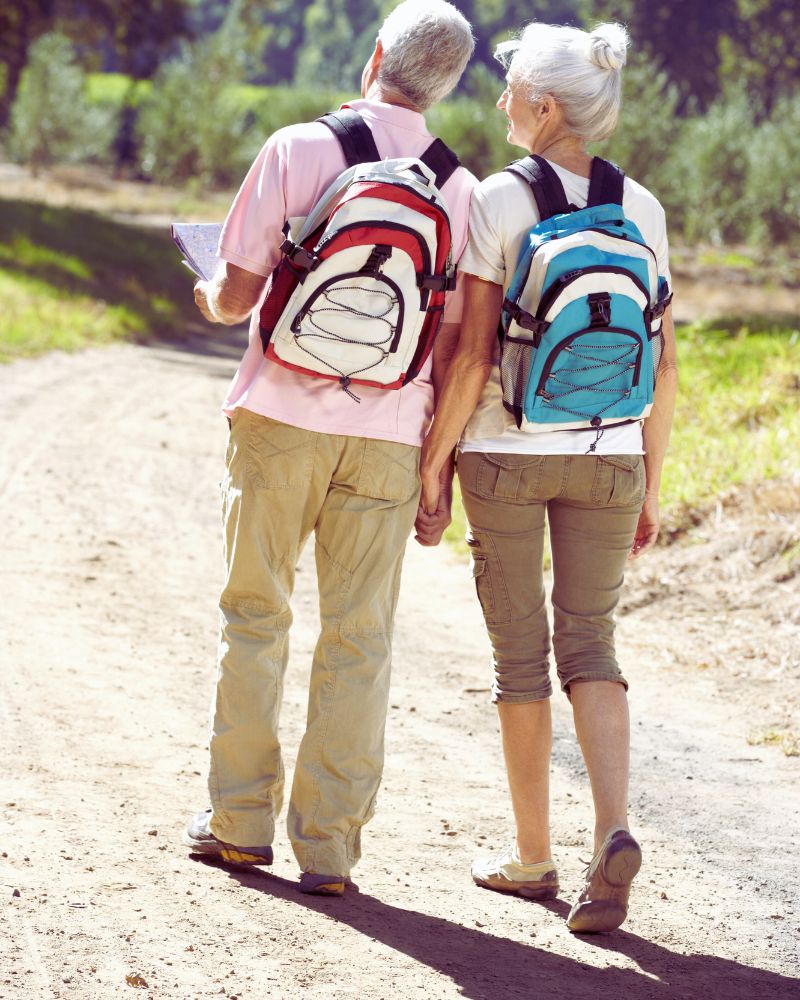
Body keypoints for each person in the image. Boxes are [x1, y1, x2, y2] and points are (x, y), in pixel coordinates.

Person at [184, 0, 477, 896]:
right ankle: (331, 851)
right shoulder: (458, 189)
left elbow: (236, 299)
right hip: (389, 435)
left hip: (280, 419)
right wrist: (437, 470)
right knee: (361, 639)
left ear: (376, 54)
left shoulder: (296, 148)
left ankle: (237, 824)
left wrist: (205, 291)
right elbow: (456, 342)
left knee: (256, 616)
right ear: (447, 85)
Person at [415, 21, 678, 932]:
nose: (500, 105)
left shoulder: (498, 198)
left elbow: (477, 354)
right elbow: (665, 361)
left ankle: (533, 857)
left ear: (547, 105)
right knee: (593, 647)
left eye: (512, 90)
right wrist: (652, 479)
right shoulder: (641, 207)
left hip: (508, 455)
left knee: (519, 661)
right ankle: (614, 829)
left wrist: (434, 467)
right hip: (613, 454)